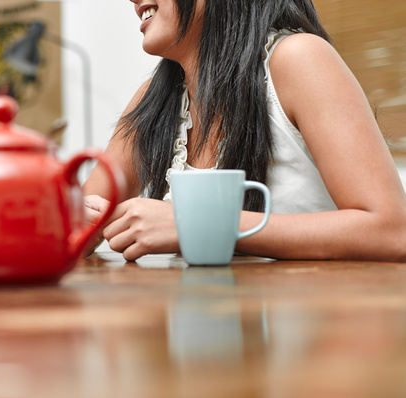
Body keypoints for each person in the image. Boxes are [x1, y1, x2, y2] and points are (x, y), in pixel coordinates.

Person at [84, 0, 406, 262]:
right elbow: (72, 228)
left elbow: (391, 231)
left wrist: (199, 225)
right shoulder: (154, 101)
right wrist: (79, 222)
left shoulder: (299, 58)